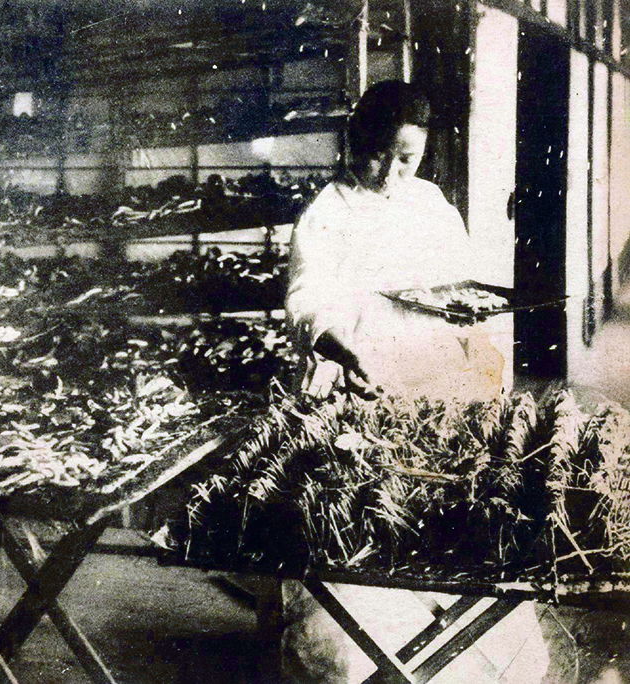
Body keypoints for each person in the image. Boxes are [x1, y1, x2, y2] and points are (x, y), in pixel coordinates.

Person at [279, 81, 548, 682]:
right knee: (362, 529)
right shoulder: (328, 213)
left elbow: (458, 286)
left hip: (432, 382)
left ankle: (449, 660)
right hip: (360, 381)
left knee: (438, 524)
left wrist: (468, 316)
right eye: (381, 155)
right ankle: (360, 662)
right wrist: (337, 344)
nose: (394, 173)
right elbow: (303, 304)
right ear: (356, 143)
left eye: (408, 159)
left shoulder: (431, 205)